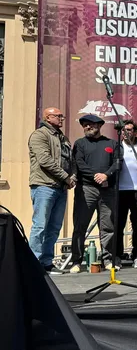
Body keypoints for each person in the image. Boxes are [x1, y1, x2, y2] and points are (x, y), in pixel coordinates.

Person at [70, 114, 121, 273]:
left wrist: (106, 175)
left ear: (99, 126)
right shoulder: (80, 144)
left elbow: (118, 163)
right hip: (86, 189)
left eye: (90, 125)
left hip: (108, 190)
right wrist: (97, 176)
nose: (87, 127)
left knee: (108, 227)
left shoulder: (112, 143)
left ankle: (108, 260)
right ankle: (76, 262)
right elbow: (79, 164)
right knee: (80, 226)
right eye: (84, 125)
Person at [28, 107, 76, 275]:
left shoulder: (63, 138)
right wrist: (66, 177)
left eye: (62, 116)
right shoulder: (39, 135)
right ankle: (33, 263)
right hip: (44, 186)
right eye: (58, 116)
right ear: (48, 118)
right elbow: (45, 160)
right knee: (40, 225)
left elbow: (70, 161)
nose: (62, 118)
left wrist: (73, 176)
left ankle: (47, 262)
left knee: (54, 227)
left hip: (60, 188)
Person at [117, 120, 137, 269]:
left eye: (130, 130)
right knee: (119, 224)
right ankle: (117, 255)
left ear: (135, 132)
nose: (126, 132)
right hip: (121, 191)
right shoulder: (117, 147)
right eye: (124, 130)